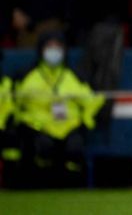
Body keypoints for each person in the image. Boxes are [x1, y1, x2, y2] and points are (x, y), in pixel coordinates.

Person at [14, 31, 105, 187]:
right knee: (43, 146)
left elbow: (93, 100)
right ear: (41, 49)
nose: (53, 51)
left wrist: (85, 121)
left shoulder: (74, 75)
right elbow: (13, 102)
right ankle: (42, 184)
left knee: (75, 147)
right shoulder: (27, 75)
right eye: (49, 46)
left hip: (69, 127)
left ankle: (72, 186)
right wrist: (22, 121)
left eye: (58, 47)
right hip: (38, 128)